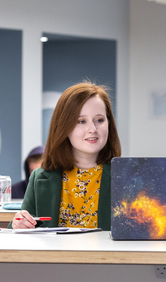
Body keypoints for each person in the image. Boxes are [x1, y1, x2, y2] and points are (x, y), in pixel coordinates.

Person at [11, 82, 121, 230]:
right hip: (53, 254)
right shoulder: (39, 177)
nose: (92, 129)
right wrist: (19, 224)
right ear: (64, 127)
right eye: (81, 121)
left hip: (105, 254)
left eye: (100, 120)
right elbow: (18, 231)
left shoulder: (126, 178)